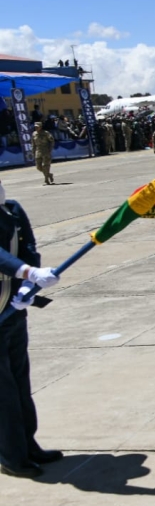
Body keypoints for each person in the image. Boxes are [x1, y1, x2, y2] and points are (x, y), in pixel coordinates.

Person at [0, 180, 63, 478]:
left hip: (13, 310)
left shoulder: (11, 210)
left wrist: (30, 283)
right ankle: (11, 457)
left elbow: (28, 247)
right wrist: (27, 272)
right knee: (4, 392)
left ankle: (27, 445)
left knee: (20, 383)